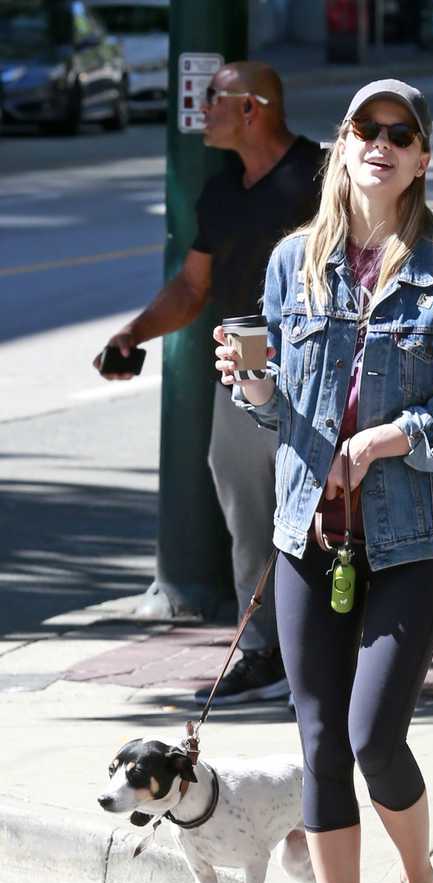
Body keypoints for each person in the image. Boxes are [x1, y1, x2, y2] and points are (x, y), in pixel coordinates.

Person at [216, 79, 433, 883]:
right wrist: (255, 393)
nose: (379, 144)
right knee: (318, 737)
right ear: (341, 146)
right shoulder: (294, 262)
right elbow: (284, 416)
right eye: (363, 130)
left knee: (375, 732)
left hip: (414, 532)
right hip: (307, 531)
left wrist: (388, 438)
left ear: (421, 157)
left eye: (399, 133)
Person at [95, 62, 324, 707]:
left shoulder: (322, 176)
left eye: (210, 99)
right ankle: (262, 652)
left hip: (320, 376)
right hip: (244, 378)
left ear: (251, 108)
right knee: (250, 515)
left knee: (325, 515)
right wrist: (133, 334)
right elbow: (193, 288)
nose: (200, 111)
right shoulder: (222, 192)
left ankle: (329, 650)